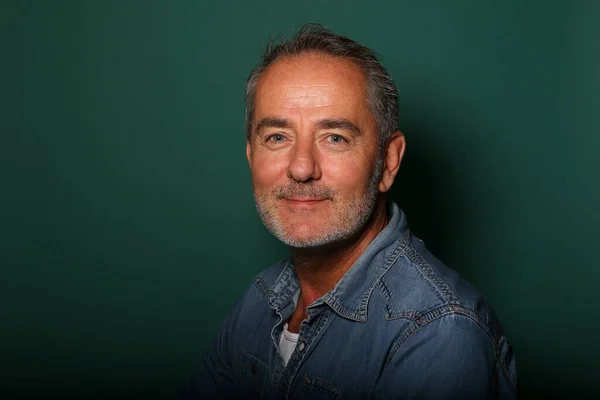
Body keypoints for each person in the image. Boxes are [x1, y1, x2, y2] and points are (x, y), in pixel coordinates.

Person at [184, 23, 517, 399]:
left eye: (335, 138)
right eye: (277, 137)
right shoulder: (262, 297)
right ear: (251, 156)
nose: (301, 167)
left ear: (388, 162)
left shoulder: (438, 333)